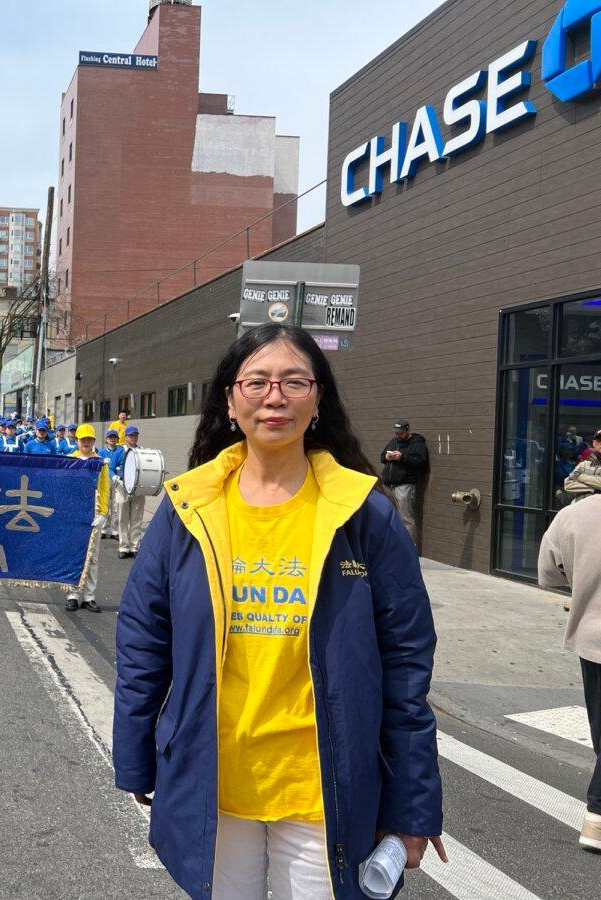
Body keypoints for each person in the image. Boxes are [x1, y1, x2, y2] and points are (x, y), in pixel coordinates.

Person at [114, 324, 446, 899]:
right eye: (258, 381)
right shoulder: (186, 509)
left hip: (325, 791)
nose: (275, 396)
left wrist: (413, 803)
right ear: (230, 398)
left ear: (318, 400)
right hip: (214, 781)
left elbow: (407, 667)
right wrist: (138, 756)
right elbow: (143, 642)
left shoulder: (364, 513)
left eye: (295, 381)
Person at [538, 492, 601, 852]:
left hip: (591, 635)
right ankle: (597, 811)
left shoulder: (573, 514)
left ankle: (597, 815)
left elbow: (548, 572)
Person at [66, 424, 109, 613]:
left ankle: (89, 596)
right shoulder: (69, 460)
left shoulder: (100, 462)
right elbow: (63, 487)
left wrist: (103, 513)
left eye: (89, 439)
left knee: (93, 556)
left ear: (93, 441)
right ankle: (73, 594)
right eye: (83, 439)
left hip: (94, 512)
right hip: (74, 512)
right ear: (77, 440)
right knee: (74, 554)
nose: (86, 442)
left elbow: (105, 488)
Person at [380, 420, 429, 543]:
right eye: (396, 433)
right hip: (388, 485)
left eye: (400, 433)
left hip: (405, 485)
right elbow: (382, 457)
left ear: (408, 430)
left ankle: (411, 550)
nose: (398, 435)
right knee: (389, 516)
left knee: (406, 518)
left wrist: (402, 457)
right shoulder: (394, 441)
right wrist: (386, 457)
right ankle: (395, 548)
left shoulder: (417, 443)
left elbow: (421, 461)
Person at [109, 426, 145, 559]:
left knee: (137, 519)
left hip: (138, 488)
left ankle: (135, 546)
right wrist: (114, 477)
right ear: (126, 437)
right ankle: (124, 547)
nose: (133, 437)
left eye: (135, 435)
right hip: (122, 487)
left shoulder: (142, 451)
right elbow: (111, 468)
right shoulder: (119, 451)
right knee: (122, 519)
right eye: (131, 435)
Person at [565, 430, 601, 499]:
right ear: (594, 443)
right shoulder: (584, 464)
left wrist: (581, 477)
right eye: (599, 440)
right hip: (581, 506)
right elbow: (567, 484)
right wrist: (593, 489)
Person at [99, 429, 120, 540]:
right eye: (110, 437)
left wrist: (118, 474)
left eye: (114, 437)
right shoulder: (101, 452)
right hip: (105, 481)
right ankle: (104, 529)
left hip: (116, 481)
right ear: (106, 439)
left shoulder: (120, 451)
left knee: (115, 507)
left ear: (117, 439)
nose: (112, 439)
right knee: (105, 505)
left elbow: (122, 464)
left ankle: (114, 531)